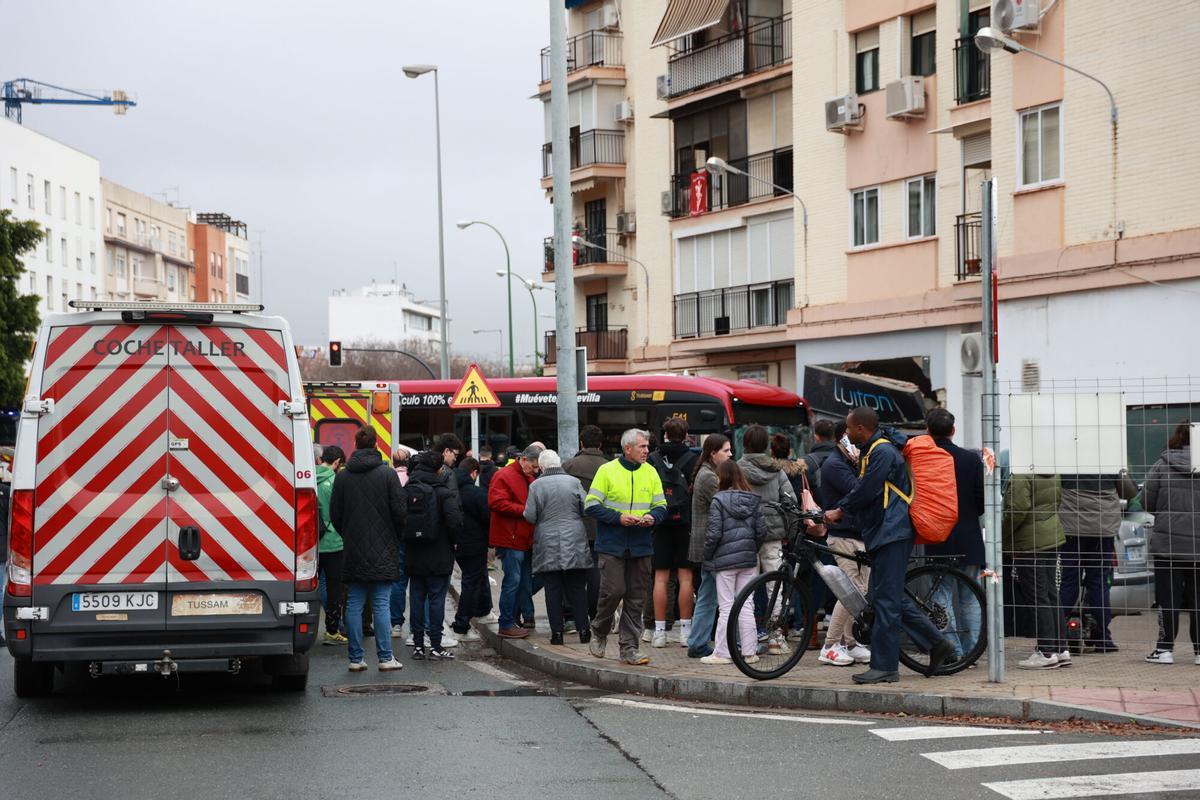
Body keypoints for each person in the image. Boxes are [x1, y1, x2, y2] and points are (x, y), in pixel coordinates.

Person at [823, 407, 953, 684]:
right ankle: (937, 643)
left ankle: (885, 667)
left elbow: (867, 489)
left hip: (893, 533)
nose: (846, 434)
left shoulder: (882, 452)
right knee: (884, 598)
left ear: (861, 428)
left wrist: (839, 511)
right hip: (883, 532)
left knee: (887, 602)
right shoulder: (874, 450)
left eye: (849, 428)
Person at [585, 428, 667, 666]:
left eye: (647, 447)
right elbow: (591, 505)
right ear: (627, 448)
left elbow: (661, 505)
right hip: (612, 544)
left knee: (636, 598)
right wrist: (619, 517)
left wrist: (653, 516)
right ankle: (599, 630)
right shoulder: (606, 470)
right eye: (642, 446)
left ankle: (629, 649)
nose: (647, 451)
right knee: (613, 591)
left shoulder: (651, 472)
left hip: (641, 545)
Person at [329, 426, 407, 672]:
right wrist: (394, 537)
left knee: (353, 603)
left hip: (353, 548)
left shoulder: (342, 476)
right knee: (381, 603)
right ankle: (385, 658)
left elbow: (335, 514)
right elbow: (400, 513)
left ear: (355, 444)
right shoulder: (387, 475)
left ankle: (355, 658)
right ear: (375, 445)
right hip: (384, 548)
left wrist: (349, 535)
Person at [924, 408, 985, 662]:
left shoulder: (924, 459)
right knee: (970, 597)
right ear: (953, 430)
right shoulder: (971, 460)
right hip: (969, 536)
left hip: (938, 537)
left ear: (928, 431)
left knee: (940, 597)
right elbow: (982, 502)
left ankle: (953, 653)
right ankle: (972, 653)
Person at [1057, 469, 1138, 653]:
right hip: (1102, 528)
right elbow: (1130, 492)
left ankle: (1056, 636)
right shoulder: (1108, 458)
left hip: (1071, 527)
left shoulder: (1064, 458)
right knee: (1099, 583)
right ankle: (1103, 639)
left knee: (1069, 582)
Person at [699, 460, 768, 666]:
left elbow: (713, 534)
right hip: (748, 560)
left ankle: (723, 652)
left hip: (725, 561)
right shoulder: (754, 500)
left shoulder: (718, 501)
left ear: (722, 478)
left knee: (727, 606)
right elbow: (762, 531)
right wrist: (751, 549)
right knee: (747, 604)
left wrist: (708, 555)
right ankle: (749, 652)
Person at [1143, 421, 1199, 665]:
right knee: (1198, 600)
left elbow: (1145, 501)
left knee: (1168, 599)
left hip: (1168, 546)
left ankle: (1164, 650)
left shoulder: (1161, 465)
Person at [738, 424, 797, 655]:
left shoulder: (737, 469)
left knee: (746, 587)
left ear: (745, 444)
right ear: (766, 446)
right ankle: (775, 638)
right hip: (773, 536)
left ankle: (748, 641)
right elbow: (790, 501)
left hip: (746, 534)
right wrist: (789, 533)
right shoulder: (777, 470)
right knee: (775, 586)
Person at [524, 449, 593, 645]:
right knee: (578, 587)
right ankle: (584, 631)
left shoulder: (536, 486)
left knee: (552, 588)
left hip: (548, 542)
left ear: (543, 466)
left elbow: (529, 515)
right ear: (559, 463)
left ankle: (557, 634)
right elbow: (586, 508)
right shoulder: (573, 482)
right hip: (575, 539)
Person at [816, 423, 872, 667]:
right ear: (842, 439)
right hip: (843, 535)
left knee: (861, 590)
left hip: (857, 533)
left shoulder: (848, 462)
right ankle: (829, 645)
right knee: (851, 591)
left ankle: (849, 642)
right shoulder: (835, 465)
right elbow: (858, 489)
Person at [1003, 471, 1069, 669]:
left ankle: (1046, 651)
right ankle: (1060, 648)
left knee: (1037, 597)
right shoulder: (1052, 471)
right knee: (1050, 594)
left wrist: (1001, 534)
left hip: (1029, 542)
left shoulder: (1023, 473)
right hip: (1051, 536)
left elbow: (1016, 510)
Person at [403, 450, 463, 661]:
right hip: (439, 553)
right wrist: (454, 541)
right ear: (439, 469)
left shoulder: (407, 490)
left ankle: (418, 645)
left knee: (417, 598)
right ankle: (436, 645)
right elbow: (455, 521)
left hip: (413, 553)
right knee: (436, 599)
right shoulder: (443, 492)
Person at [647, 417, 698, 648]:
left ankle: (659, 632)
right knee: (685, 577)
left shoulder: (652, 459)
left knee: (660, 577)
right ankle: (685, 632)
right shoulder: (693, 459)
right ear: (686, 434)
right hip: (685, 522)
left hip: (659, 522)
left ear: (665, 434)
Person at [686, 434, 733, 658]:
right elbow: (728, 504)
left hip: (709, 544)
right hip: (711, 545)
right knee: (711, 596)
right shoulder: (707, 477)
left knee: (709, 594)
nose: (730, 454)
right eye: (726, 450)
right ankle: (699, 642)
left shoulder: (708, 473)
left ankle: (697, 641)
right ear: (713, 453)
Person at [489, 444, 541, 638]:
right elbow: (495, 502)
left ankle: (514, 620)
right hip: (510, 538)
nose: (535, 471)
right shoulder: (504, 475)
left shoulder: (526, 476)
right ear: (524, 459)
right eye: (534, 467)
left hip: (523, 538)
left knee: (522, 581)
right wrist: (524, 510)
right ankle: (506, 623)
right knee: (513, 581)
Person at [563, 424, 608, 619]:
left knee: (572, 572)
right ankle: (594, 613)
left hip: (574, 527)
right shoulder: (609, 467)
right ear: (600, 444)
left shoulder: (569, 466)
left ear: (582, 443)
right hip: (600, 527)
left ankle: (572, 616)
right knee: (596, 572)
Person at [451, 456, 492, 642]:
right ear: (473, 473)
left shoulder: (451, 489)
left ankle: (484, 610)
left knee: (479, 575)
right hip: (475, 544)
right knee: (470, 582)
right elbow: (487, 518)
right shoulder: (476, 493)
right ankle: (461, 624)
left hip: (456, 544)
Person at [316, 445, 347, 645]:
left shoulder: (309, 478)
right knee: (335, 587)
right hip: (334, 541)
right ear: (336, 462)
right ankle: (332, 630)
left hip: (313, 542)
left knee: (313, 584)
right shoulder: (335, 481)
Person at [802, 419, 839, 509]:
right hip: (840, 513)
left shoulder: (805, 461)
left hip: (815, 516)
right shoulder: (845, 457)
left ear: (816, 437)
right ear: (834, 437)